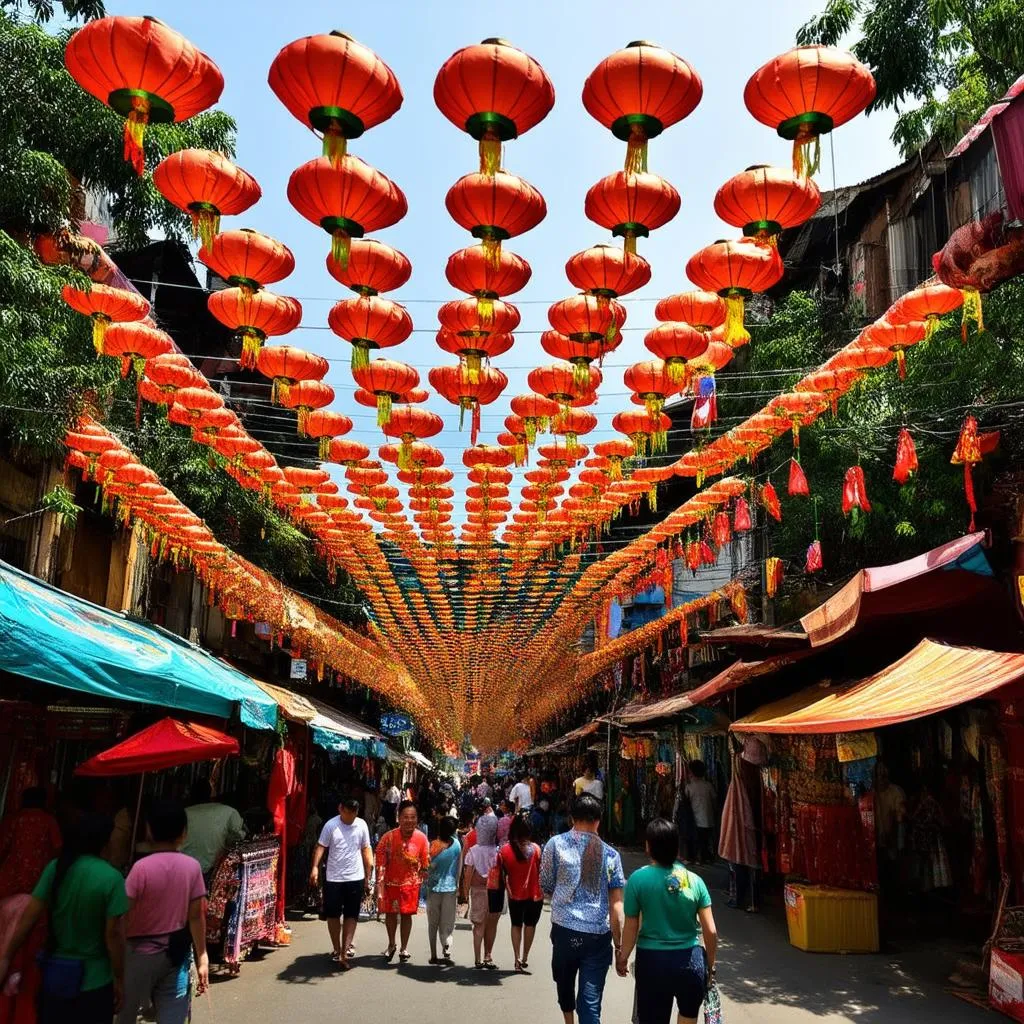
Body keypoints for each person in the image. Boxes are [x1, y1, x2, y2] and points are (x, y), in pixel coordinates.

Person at [0, 811, 127, 1024]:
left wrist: (6, 957)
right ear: (105, 841)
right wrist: (120, 979)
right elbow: (112, 936)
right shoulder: (112, 878)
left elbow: (27, 920)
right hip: (95, 982)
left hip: (55, 977)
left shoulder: (56, 868)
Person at [616, 819, 718, 1024]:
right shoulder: (695, 880)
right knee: (688, 1016)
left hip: (652, 963)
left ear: (648, 846)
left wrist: (623, 956)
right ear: (676, 847)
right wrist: (710, 965)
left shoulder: (638, 879)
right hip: (691, 961)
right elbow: (711, 931)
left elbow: (631, 927)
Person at [118, 801, 208, 1024]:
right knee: (173, 1015)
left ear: (148, 831)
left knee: (125, 1015)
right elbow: (196, 916)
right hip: (175, 955)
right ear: (183, 834)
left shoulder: (141, 869)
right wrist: (202, 956)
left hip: (138, 954)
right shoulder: (192, 867)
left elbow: (122, 914)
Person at [540, 793, 625, 1024]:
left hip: (564, 931)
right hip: (598, 937)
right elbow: (617, 905)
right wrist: (620, 947)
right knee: (590, 1003)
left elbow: (546, 884)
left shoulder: (555, 845)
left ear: (571, 818)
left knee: (564, 983)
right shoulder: (611, 855)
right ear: (598, 819)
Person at [309, 797, 373, 969]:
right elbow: (321, 846)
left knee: (352, 915)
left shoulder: (361, 825)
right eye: (347, 812)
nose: (350, 817)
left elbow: (366, 848)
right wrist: (315, 867)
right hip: (334, 878)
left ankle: (345, 950)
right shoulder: (331, 825)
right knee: (333, 915)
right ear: (340, 809)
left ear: (357, 812)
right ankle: (337, 948)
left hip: (355, 877)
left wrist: (369, 873)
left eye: (353, 813)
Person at [375, 801, 429, 962]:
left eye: (413, 817)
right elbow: (380, 859)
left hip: (411, 885)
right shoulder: (388, 837)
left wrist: (423, 872)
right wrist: (379, 885)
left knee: (407, 916)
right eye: (405, 817)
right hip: (391, 884)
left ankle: (404, 948)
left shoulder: (421, 838)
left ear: (417, 819)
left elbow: (425, 861)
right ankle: (392, 944)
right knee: (390, 915)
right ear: (399, 818)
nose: (409, 821)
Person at [500, 812, 543, 973]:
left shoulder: (505, 850)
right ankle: (525, 956)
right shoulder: (536, 849)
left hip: (514, 894)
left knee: (516, 924)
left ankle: (516, 957)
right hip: (534, 894)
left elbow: (502, 874)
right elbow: (541, 871)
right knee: (530, 925)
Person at [0, 787, 61, 900]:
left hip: (11, 876)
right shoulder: (49, 820)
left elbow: (2, 847)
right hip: (38, 878)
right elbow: (57, 849)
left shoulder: (13, 819)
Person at [180, 779, 245, 878]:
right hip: (215, 873)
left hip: (185, 872)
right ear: (211, 792)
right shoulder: (229, 812)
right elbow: (238, 838)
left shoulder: (181, 814)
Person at [462, 807, 499, 969]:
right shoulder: (498, 852)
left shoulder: (473, 851)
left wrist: (464, 894)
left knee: (478, 925)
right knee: (492, 925)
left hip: (477, 892)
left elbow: (468, 874)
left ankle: (477, 958)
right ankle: (488, 955)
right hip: (494, 892)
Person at [425, 816, 461, 966]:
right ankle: (447, 943)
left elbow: (429, 866)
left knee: (433, 923)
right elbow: (459, 868)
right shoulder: (458, 845)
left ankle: (433, 955)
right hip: (451, 887)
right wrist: (459, 885)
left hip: (433, 888)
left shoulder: (434, 845)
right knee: (447, 922)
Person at [684, 762, 717, 865]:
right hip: (708, 819)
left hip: (695, 819)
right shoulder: (708, 785)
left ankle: (693, 858)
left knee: (695, 840)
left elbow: (686, 803)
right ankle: (704, 857)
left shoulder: (689, 787)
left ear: (691, 773)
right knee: (705, 840)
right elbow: (714, 799)